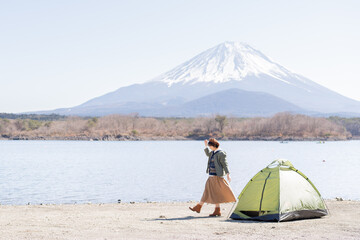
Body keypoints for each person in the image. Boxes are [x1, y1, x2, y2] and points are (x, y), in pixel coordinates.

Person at [189, 138, 236, 217]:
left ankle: (199, 207)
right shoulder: (213, 153)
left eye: (210, 146)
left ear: (214, 146)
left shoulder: (221, 153)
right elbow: (208, 154)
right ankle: (216, 210)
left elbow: (225, 164)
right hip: (211, 176)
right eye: (209, 147)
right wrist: (205, 146)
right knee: (213, 193)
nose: (210, 148)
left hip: (216, 176)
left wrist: (228, 173)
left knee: (208, 192)